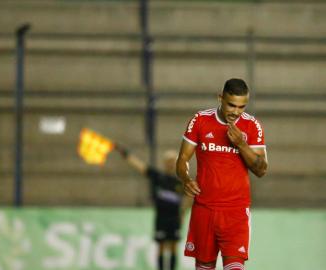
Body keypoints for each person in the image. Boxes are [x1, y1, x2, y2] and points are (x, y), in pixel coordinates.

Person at [176, 78, 268, 270]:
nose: (236, 111)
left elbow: (261, 169)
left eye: (241, 106)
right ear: (220, 98)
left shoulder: (252, 126)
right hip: (205, 208)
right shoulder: (200, 120)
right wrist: (186, 179)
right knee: (204, 266)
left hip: (235, 211)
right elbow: (183, 159)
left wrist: (241, 144)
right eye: (231, 105)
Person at [115, 146, 193, 270]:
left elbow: (190, 197)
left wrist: (183, 213)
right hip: (161, 218)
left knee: (173, 246)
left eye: (173, 162)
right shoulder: (158, 177)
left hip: (175, 219)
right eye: (169, 162)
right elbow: (140, 167)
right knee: (161, 246)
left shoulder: (181, 181)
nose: (171, 164)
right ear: (164, 163)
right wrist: (126, 155)